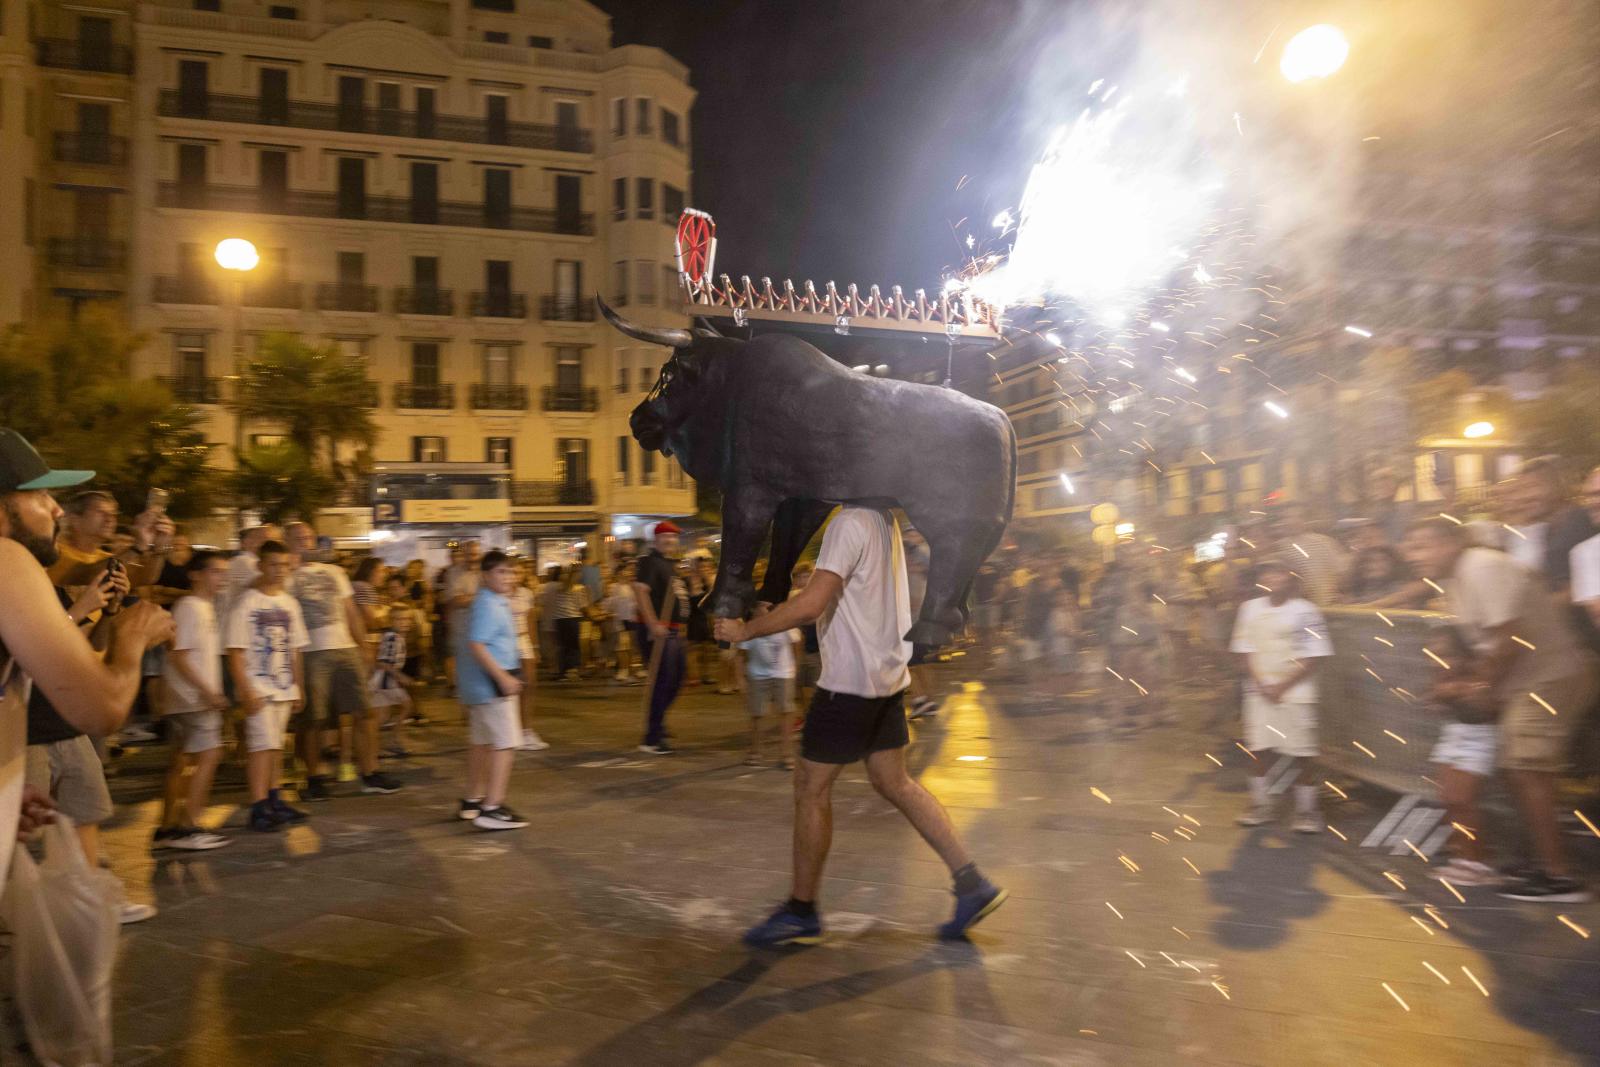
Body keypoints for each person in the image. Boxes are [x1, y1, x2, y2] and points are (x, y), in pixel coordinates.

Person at [716, 505, 1006, 945]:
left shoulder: (849, 522)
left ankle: (801, 910)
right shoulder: (883, 520)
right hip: (886, 678)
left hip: (849, 684)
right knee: (896, 782)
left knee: (810, 788)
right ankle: (972, 884)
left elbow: (811, 605)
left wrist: (745, 631)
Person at [0, 429, 174, 888]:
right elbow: (104, 708)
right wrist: (133, 636)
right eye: (39, 496)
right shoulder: (6, 560)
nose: (56, 509)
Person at [1401, 517, 1600, 901]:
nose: (1413, 556)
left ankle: (1560, 876)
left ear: (1451, 543)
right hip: (1531, 682)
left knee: (1527, 769)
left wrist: (1479, 686)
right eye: (1410, 547)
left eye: (1423, 546)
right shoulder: (1458, 578)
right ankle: (1541, 861)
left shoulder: (1480, 566)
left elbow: (1510, 637)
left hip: (1550, 677)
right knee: (1518, 770)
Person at [285, 523, 402, 799]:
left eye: (309, 537)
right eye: (299, 539)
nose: (305, 542)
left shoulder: (336, 572)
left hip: (345, 648)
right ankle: (314, 777)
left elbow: (350, 611)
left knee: (364, 712)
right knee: (313, 719)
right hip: (311, 652)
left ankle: (370, 772)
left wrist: (363, 645)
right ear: (288, 541)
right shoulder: (288, 575)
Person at [1229, 557, 1334, 833]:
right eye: (1266, 573)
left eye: (1278, 572)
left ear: (1291, 577)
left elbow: (1314, 655)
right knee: (1258, 750)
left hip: (1296, 693)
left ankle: (1307, 811)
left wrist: (1283, 685)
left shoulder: (1306, 611)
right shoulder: (1248, 609)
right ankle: (1260, 805)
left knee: (1301, 752)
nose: (1273, 578)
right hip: (1258, 692)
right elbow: (1244, 650)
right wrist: (1262, 683)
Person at [225, 539, 312, 832]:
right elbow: (235, 651)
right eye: (273, 564)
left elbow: (296, 648)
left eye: (284, 565)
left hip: (284, 685)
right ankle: (258, 804)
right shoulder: (247, 603)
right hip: (258, 686)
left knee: (276, 746)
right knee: (261, 747)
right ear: (261, 565)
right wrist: (245, 689)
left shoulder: (290, 603)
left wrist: (298, 686)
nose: (279, 571)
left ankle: (275, 798)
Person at [154, 550, 231, 852]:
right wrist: (208, 691)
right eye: (215, 571)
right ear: (195, 575)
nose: (221, 578)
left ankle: (168, 826)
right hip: (193, 698)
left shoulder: (203, 607)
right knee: (211, 755)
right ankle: (187, 826)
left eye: (224, 572)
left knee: (181, 762)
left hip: (188, 697)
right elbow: (179, 654)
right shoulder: (191, 607)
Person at [1421, 624, 1499, 887]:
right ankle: (1463, 856)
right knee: (1448, 799)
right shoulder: (1441, 674)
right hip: (1453, 734)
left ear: (1464, 655)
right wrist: (1439, 693)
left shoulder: (1479, 673)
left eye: (1446, 655)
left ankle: (1476, 864)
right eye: (1434, 655)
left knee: (1463, 799)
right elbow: (1433, 700)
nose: (1439, 661)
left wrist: (1460, 690)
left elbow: (1487, 704)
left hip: (1478, 738)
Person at [458, 551, 529, 830]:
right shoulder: (488, 603)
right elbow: (477, 643)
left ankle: (472, 800)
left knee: (482, 743)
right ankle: (492, 807)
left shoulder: (493, 601)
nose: (508, 577)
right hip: (491, 686)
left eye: (510, 572)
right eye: (501, 572)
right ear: (486, 576)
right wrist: (502, 678)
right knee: (505, 744)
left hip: (481, 686)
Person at [634, 521, 691, 754]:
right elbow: (640, 591)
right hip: (658, 631)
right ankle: (652, 738)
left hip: (674, 630)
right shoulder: (649, 562)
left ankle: (657, 721)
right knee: (663, 680)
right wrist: (653, 623)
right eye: (666, 537)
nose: (670, 541)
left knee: (678, 679)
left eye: (673, 537)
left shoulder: (671, 565)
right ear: (656, 540)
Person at [738, 605, 799, 768]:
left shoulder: (785, 623)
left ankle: (787, 754)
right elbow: (741, 655)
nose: (765, 608)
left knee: (786, 712)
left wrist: (794, 667)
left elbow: (796, 644)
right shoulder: (750, 628)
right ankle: (755, 751)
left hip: (783, 672)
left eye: (766, 605)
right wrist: (741, 679)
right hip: (758, 674)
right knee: (756, 713)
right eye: (761, 606)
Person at [1269, 502, 1346, 607]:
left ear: (1305, 519)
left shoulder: (1323, 542)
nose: (1291, 521)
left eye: (1297, 517)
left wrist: (1338, 593)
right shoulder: (1280, 546)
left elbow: (1340, 572)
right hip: (1296, 606)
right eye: (1287, 517)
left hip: (1326, 605)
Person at [506, 562, 546, 750]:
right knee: (510, 689)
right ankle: (512, 732)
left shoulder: (526, 594)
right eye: (513, 571)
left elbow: (530, 620)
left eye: (519, 572)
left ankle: (526, 730)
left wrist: (535, 645)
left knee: (529, 684)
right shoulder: (500, 594)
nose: (516, 575)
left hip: (523, 641)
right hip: (505, 643)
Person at [368, 606, 416, 758]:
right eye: (399, 619)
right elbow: (383, 662)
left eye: (407, 619)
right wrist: (400, 676)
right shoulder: (392, 637)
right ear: (391, 620)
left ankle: (388, 742)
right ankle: (383, 744)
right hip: (384, 682)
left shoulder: (397, 637)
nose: (404, 622)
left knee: (383, 716)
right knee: (385, 715)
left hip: (387, 682)